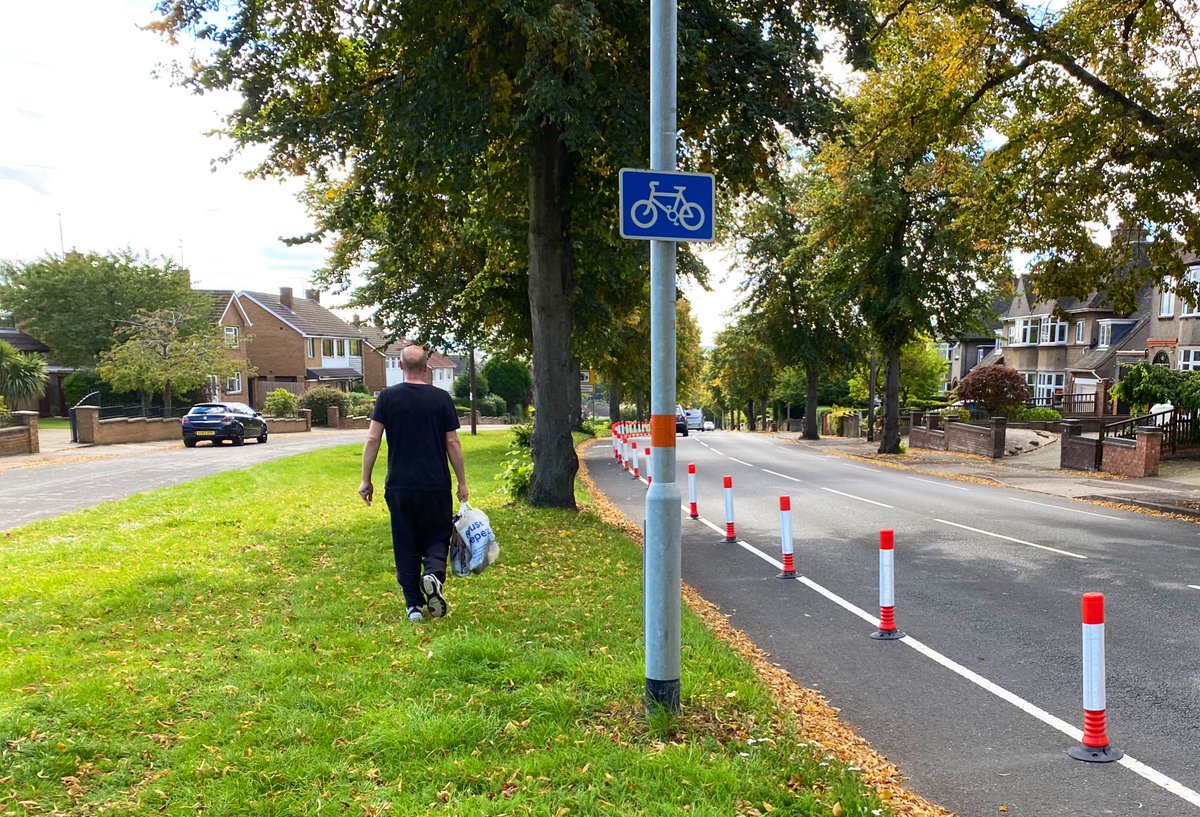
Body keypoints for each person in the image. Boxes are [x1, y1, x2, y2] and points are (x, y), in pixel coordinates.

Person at [359, 344, 469, 622]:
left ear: (400, 366)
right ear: (426, 367)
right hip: (435, 484)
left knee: (405, 541)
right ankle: (433, 574)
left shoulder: (387, 397)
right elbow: (452, 442)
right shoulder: (441, 399)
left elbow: (372, 439)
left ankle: (413, 607)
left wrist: (365, 479)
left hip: (400, 485)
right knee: (437, 535)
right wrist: (462, 483)